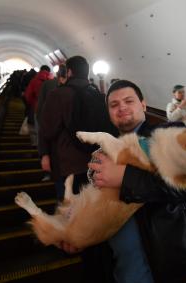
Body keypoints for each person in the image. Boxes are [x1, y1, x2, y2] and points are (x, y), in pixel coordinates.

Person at [63, 80, 186, 283]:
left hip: (179, 264)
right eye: (114, 105)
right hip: (127, 269)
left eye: (128, 101)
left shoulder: (172, 134)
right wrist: (79, 225)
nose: (121, 107)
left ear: (143, 105)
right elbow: (99, 198)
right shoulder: (105, 149)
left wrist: (126, 177)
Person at [38, 56, 114, 283]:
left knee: (67, 202)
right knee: (89, 204)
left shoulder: (58, 94)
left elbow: (47, 128)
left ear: (68, 71)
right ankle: (88, 241)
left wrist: (44, 154)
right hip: (94, 162)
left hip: (66, 162)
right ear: (87, 71)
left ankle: (68, 244)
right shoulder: (98, 95)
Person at [24, 65, 53, 145]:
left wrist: (32, 104)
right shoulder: (53, 81)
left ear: (40, 70)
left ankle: (38, 146)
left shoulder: (34, 80)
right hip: (51, 109)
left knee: (37, 128)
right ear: (49, 71)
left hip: (37, 108)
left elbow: (28, 96)